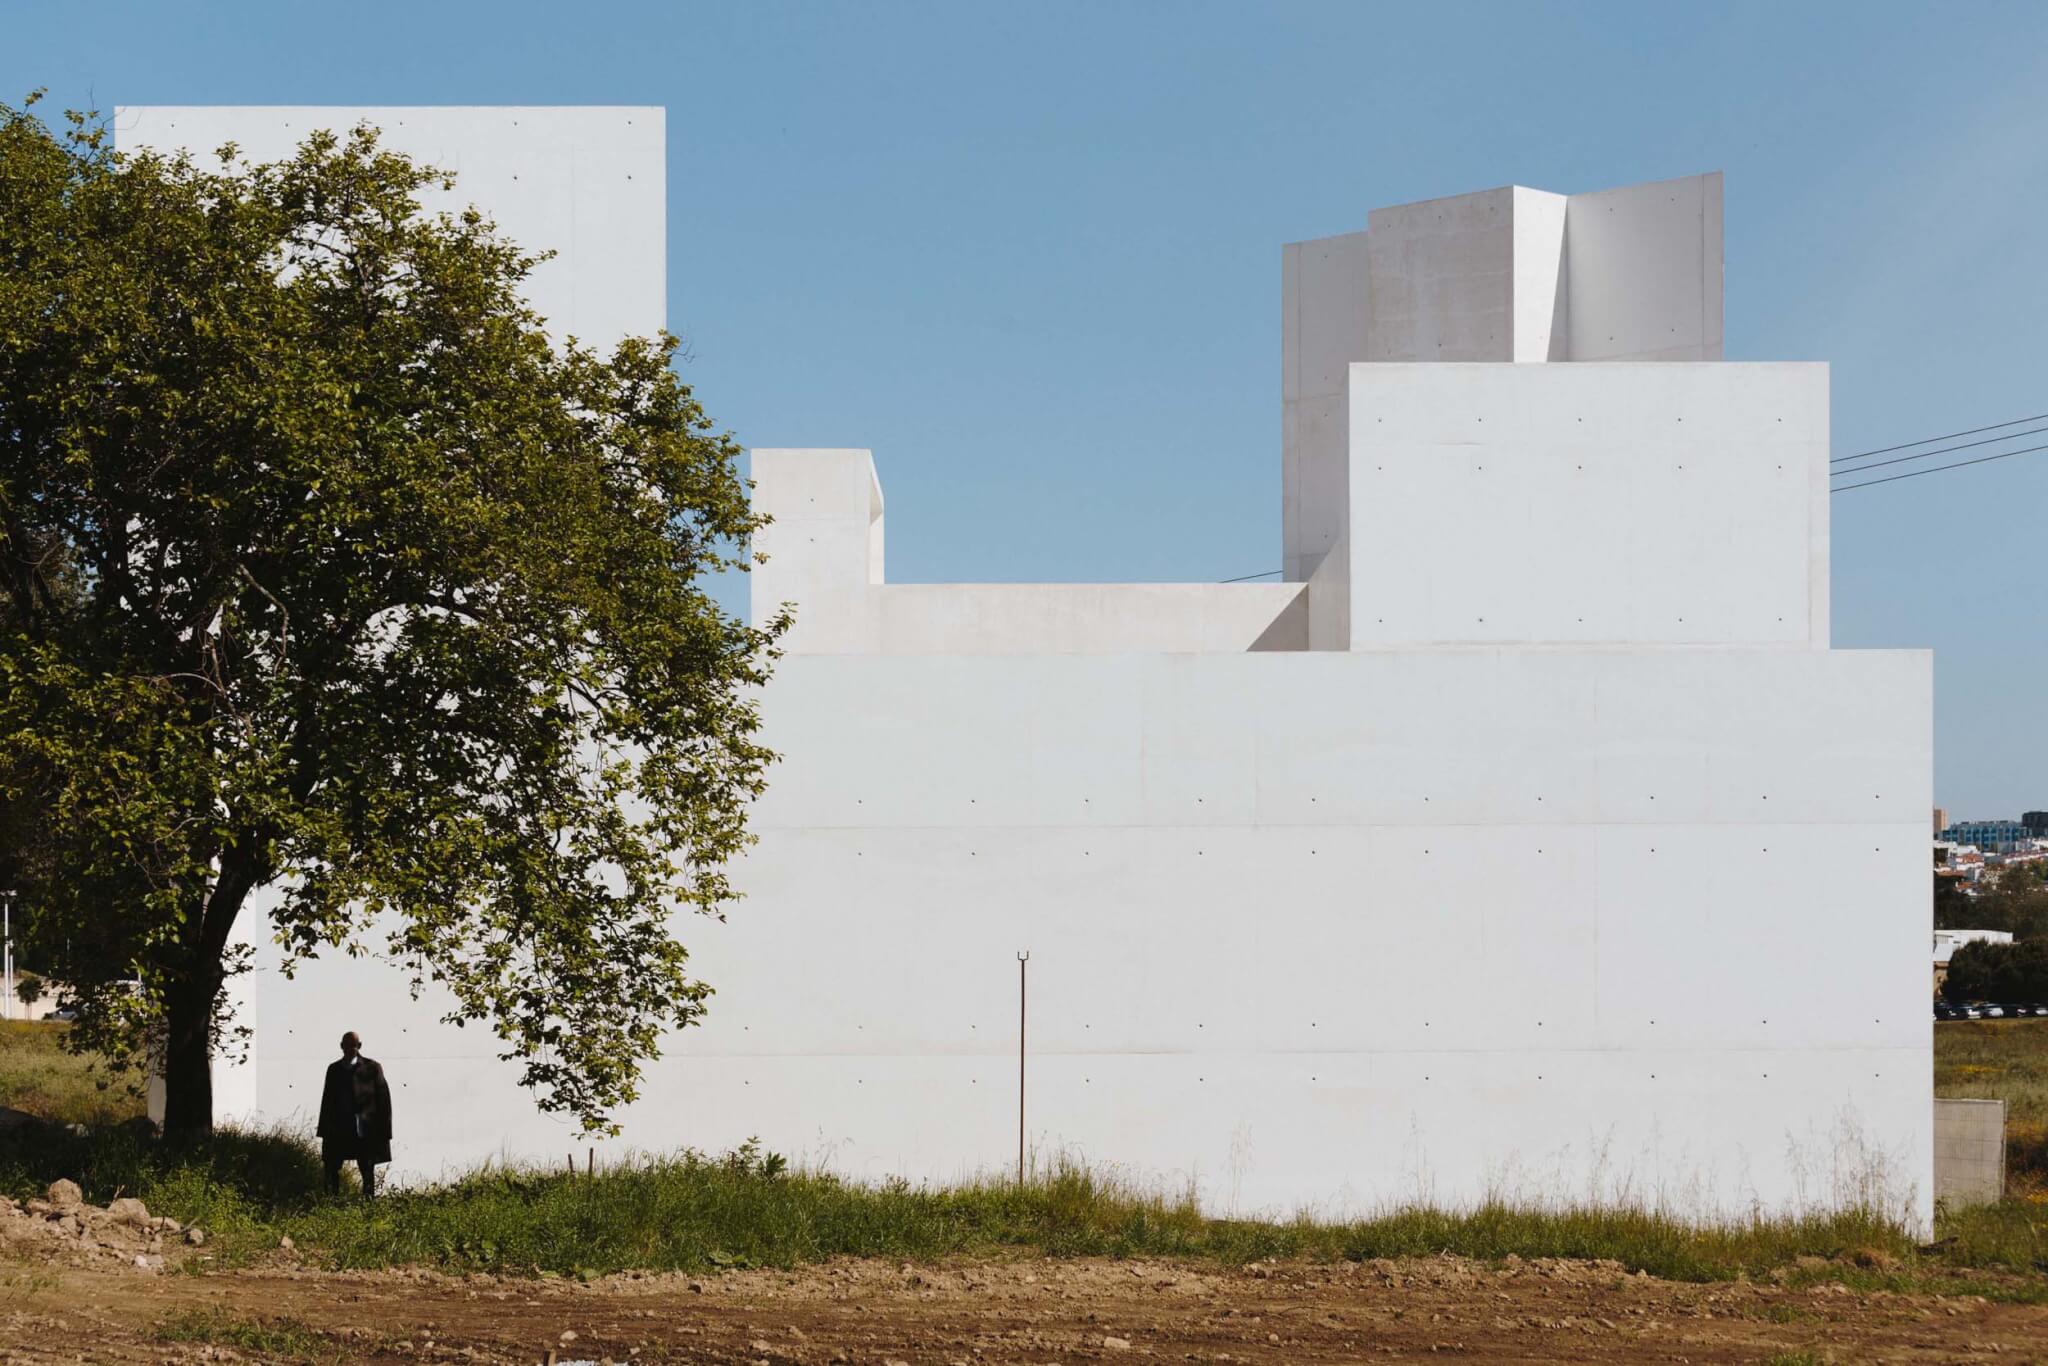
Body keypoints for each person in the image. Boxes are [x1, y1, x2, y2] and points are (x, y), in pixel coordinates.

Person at [316, 1031, 393, 1199]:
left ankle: (368, 1203)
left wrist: (384, 1132)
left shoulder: (372, 1068)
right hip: (338, 1128)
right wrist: (324, 1130)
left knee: (366, 1168)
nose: (350, 1049)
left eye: (354, 1045)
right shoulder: (334, 1069)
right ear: (341, 1046)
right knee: (331, 1167)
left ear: (359, 1046)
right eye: (347, 1045)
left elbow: (384, 1101)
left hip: (363, 1130)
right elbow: (327, 1101)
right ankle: (331, 1201)